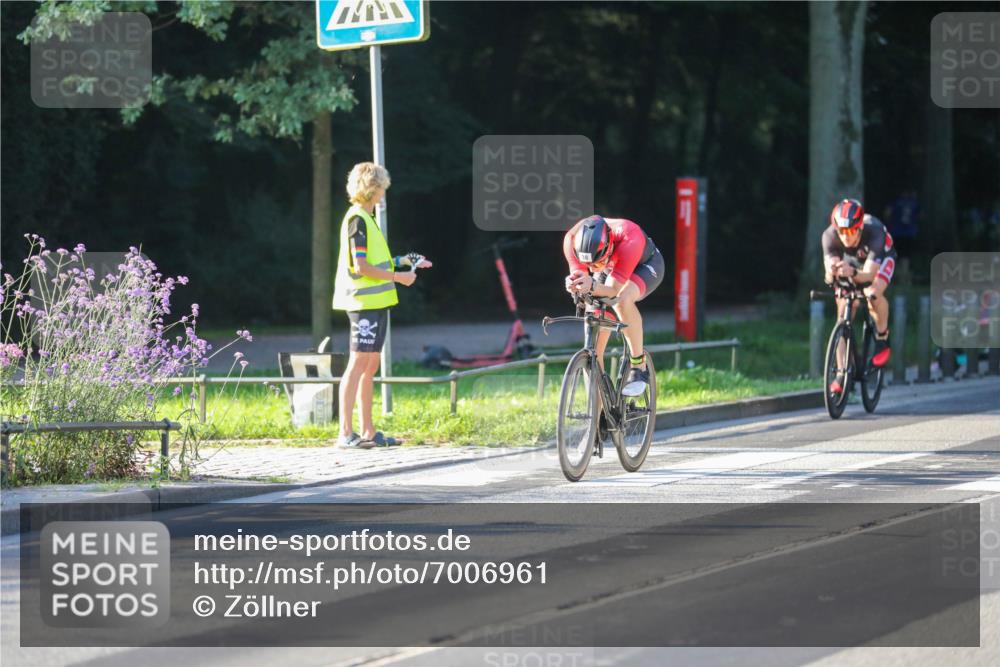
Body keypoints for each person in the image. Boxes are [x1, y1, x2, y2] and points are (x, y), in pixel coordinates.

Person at [332, 162, 432, 448]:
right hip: (362, 304)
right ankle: (345, 433)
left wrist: (405, 260)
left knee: (370, 364)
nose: (384, 195)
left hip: (376, 303)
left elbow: (374, 262)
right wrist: (399, 277)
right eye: (381, 189)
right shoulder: (357, 220)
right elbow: (361, 266)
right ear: (371, 189)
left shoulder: (367, 218)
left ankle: (368, 431)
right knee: (358, 363)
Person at [563, 215, 665, 396]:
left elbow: (612, 290)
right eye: (589, 264)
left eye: (597, 262)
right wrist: (575, 283)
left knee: (622, 300)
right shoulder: (571, 240)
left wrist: (593, 284)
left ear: (609, 245)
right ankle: (597, 414)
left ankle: (638, 366)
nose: (593, 267)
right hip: (609, 270)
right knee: (593, 321)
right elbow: (581, 275)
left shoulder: (629, 236)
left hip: (644, 266)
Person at [822, 198, 898, 395]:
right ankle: (841, 373)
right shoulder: (829, 236)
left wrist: (853, 274)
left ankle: (882, 336)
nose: (846, 237)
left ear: (859, 227)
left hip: (880, 259)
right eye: (841, 232)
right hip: (852, 262)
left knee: (872, 293)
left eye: (850, 232)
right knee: (843, 308)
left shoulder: (875, 232)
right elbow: (829, 275)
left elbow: (869, 275)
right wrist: (832, 273)